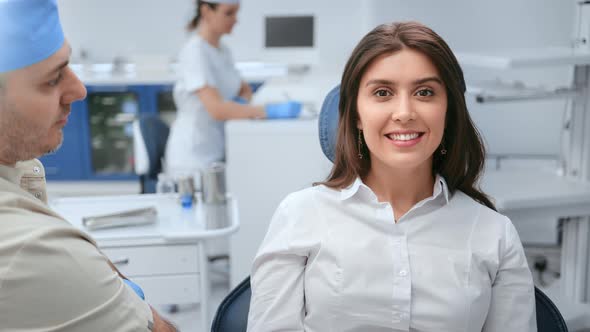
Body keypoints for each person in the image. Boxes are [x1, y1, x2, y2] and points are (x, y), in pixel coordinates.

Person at [247, 22, 537, 331]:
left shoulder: (495, 234)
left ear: (448, 110)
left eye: (425, 92)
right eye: (382, 93)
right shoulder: (300, 214)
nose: (404, 112)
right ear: (356, 114)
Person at [0, 0, 176, 330]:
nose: (78, 89)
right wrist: (105, 278)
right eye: (52, 80)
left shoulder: (18, 167)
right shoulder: (33, 250)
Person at [165, 0, 301, 178]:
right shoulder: (195, 52)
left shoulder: (222, 51)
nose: (235, 20)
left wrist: (237, 106)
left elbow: (244, 89)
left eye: (236, 13)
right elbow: (217, 110)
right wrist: (269, 111)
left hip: (217, 149)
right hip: (193, 157)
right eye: (229, 13)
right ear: (206, 11)